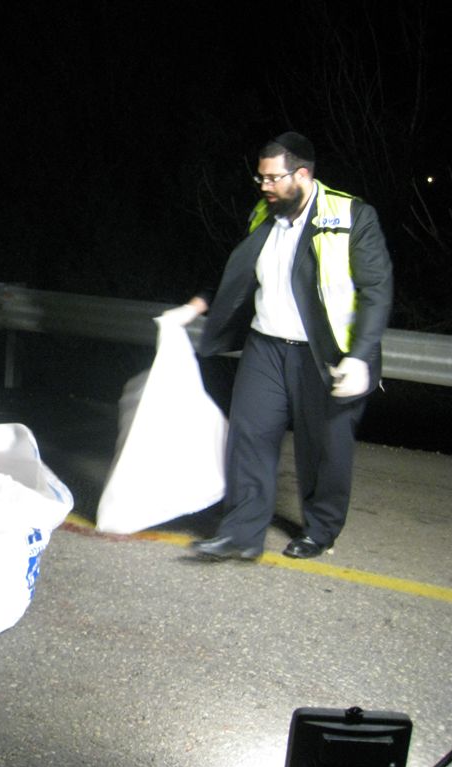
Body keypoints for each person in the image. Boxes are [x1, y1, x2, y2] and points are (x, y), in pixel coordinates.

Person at [166, 132, 392, 561]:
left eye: (272, 178)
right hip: (266, 347)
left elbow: (376, 290)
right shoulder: (264, 215)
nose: (263, 186)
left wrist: (360, 356)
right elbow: (236, 272)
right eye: (260, 178)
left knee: (324, 448)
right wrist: (197, 305)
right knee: (249, 436)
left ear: (302, 175)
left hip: (323, 355)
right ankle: (241, 534)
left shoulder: (352, 216)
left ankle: (321, 530)